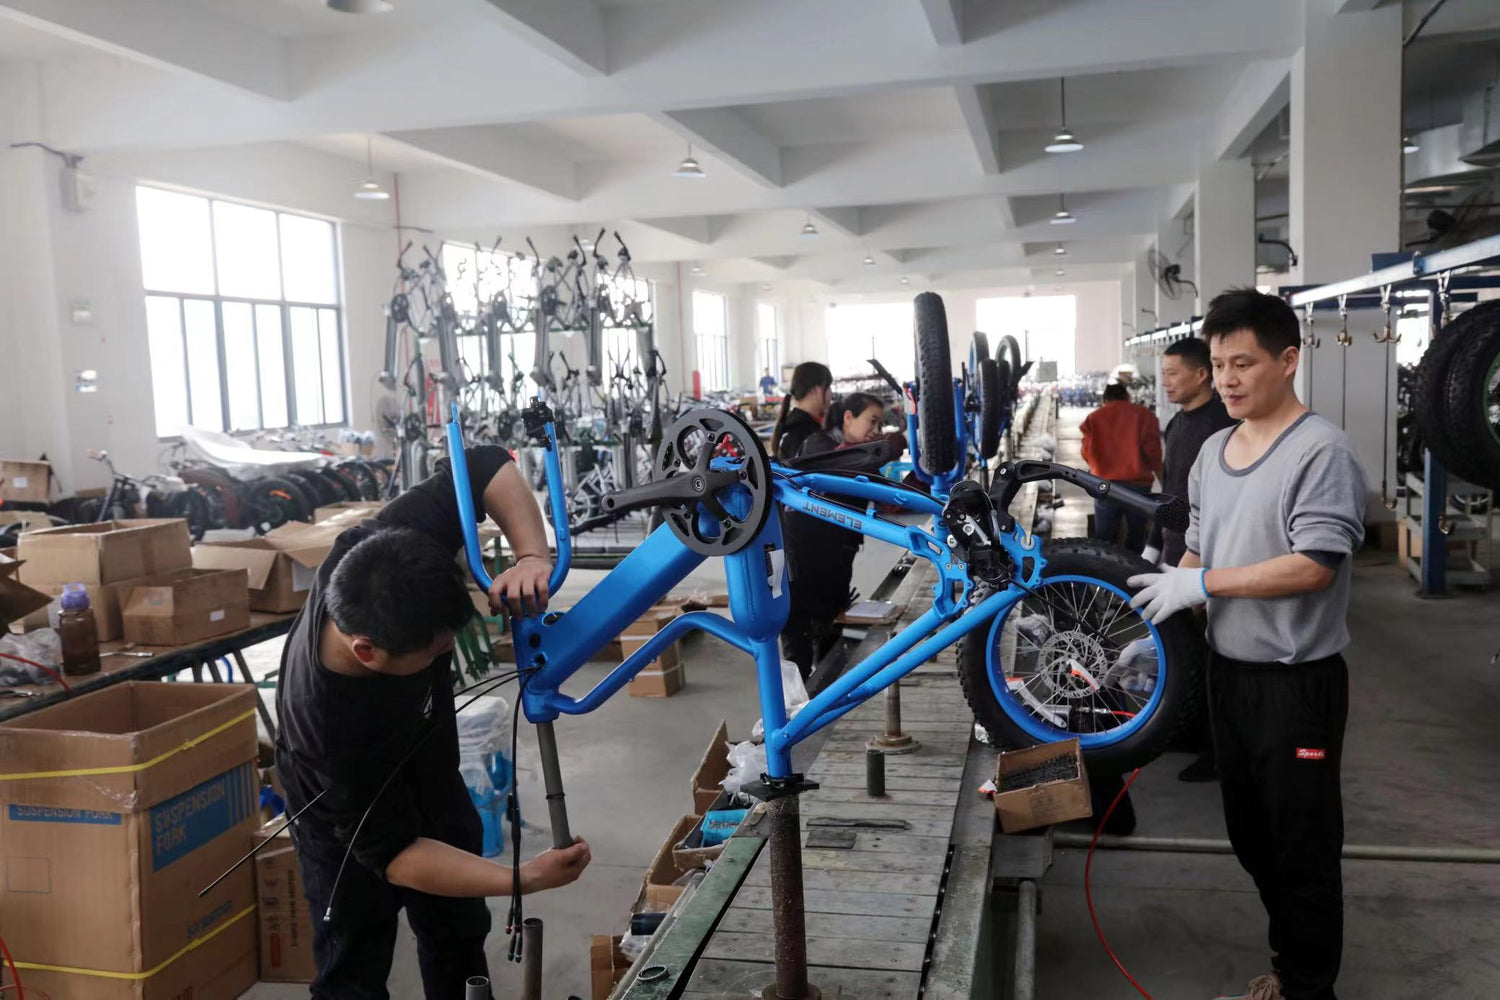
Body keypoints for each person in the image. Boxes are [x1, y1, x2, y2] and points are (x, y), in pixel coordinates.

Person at [275, 447, 593, 999]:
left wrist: (530, 556)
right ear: (368, 652)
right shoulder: (330, 730)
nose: (445, 656)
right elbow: (398, 856)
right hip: (342, 811)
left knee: (458, 929)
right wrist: (521, 880)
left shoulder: (383, 552)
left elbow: (485, 465)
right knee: (355, 953)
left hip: (427, 759)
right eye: (434, 654)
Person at [1128, 288, 1366, 1000]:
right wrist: (1159, 627)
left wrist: (1206, 588)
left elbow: (1313, 564)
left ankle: (1305, 987)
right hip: (1230, 675)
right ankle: (1292, 962)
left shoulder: (1319, 451)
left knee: (1303, 848)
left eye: (1245, 363)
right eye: (1221, 364)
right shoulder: (1212, 450)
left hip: (1297, 684)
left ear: (1288, 361)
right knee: (1253, 836)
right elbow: (1198, 550)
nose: (1228, 379)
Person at [1143, 336, 1237, 784]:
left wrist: (1203, 574)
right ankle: (1195, 731)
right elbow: (1170, 492)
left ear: (1202, 375)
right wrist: (1152, 544)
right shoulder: (1177, 424)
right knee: (1185, 654)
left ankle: (1220, 752)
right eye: (1163, 374)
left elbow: (1220, 504)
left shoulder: (1222, 427)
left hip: (1204, 563)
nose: (1166, 382)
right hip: (1178, 556)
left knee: (1215, 660)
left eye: (1173, 373)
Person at [1079, 382, 1163, 551]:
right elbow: (1153, 451)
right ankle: (1132, 573)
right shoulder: (1143, 414)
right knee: (1137, 536)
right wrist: (1163, 478)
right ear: (1127, 397)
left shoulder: (1094, 418)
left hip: (1104, 486)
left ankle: (1104, 573)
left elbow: (1086, 453)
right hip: (1138, 487)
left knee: (1104, 538)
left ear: (1105, 400)